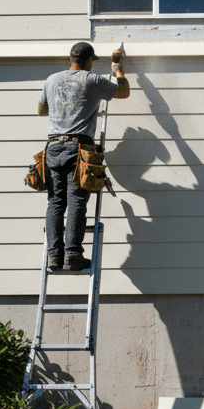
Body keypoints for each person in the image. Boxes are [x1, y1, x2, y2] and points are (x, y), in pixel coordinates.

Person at [37, 42, 129, 271]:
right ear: (89, 61)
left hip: (53, 147)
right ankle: (72, 256)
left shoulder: (51, 80)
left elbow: (41, 110)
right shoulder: (92, 80)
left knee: (56, 202)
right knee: (77, 201)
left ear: (71, 59)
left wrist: (64, 107)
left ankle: (54, 257)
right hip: (79, 148)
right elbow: (124, 92)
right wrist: (117, 70)